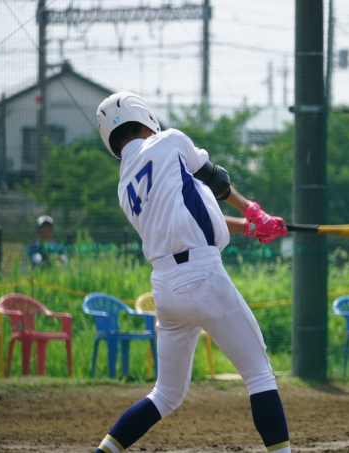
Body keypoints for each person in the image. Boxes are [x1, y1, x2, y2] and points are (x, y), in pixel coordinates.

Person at [93, 92, 291, 453]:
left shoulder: (124, 187)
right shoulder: (169, 140)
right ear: (145, 118)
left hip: (166, 288)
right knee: (260, 375)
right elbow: (216, 180)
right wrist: (253, 211)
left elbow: (193, 209)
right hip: (202, 274)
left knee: (165, 394)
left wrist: (251, 227)